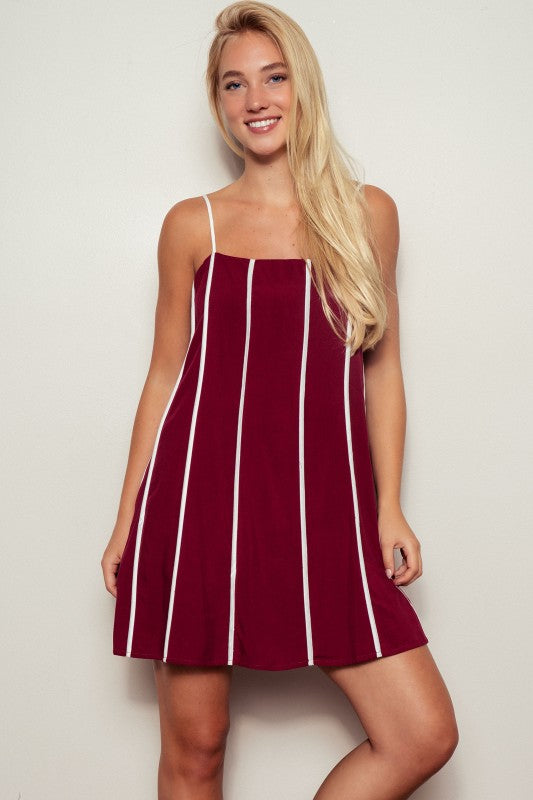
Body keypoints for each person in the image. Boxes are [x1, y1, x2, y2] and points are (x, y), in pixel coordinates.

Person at [101, 2, 459, 797]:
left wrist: (388, 507)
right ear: (217, 102)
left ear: (304, 87)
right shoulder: (191, 225)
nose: (255, 100)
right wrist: (128, 520)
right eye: (234, 84)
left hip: (325, 504)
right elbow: (164, 376)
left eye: (274, 77)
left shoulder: (367, 215)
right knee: (196, 750)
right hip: (198, 506)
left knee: (420, 735)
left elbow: (381, 369)